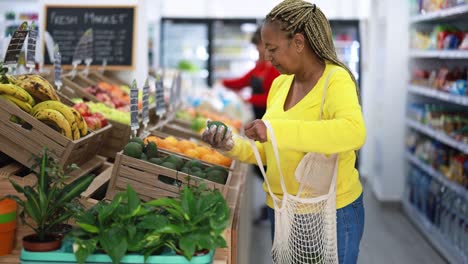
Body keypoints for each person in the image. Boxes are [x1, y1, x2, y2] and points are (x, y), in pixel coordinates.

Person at [203, 1, 366, 263]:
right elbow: (269, 152)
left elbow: (353, 132)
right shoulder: (280, 85)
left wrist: (275, 129)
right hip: (281, 209)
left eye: (273, 48)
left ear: (299, 42)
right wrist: (230, 145)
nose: (267, 57)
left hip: (331, 211)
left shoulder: (335, 79)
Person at [221, 27, 280, 225]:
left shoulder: (276, 68)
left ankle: (276, 209)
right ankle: (273, 207)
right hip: (258, 122)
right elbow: (242, 81)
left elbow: (273, 98)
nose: (259, 50)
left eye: (261, 45)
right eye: (258, 46)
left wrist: (249, 98)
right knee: (262, 167)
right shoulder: (260, 66)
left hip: (270, 123)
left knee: (268, 165)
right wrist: (223, 83)